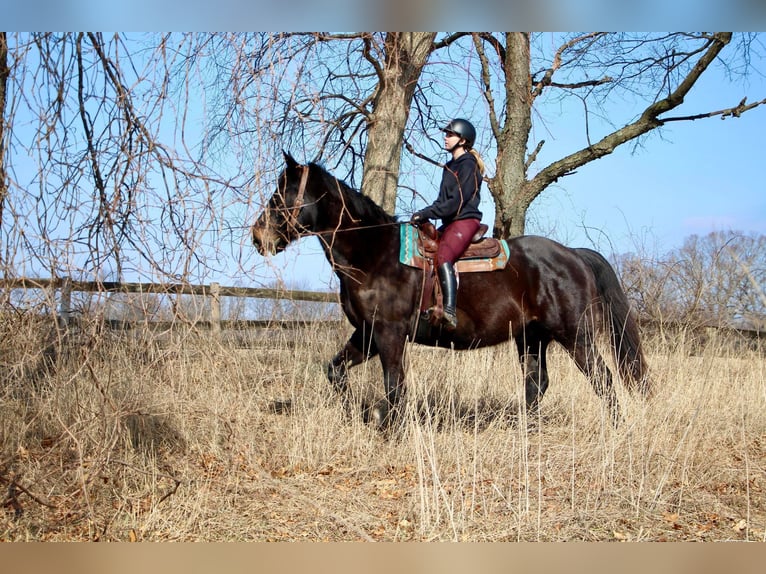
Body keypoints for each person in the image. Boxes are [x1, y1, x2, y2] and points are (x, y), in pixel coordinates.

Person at [410, 118, 485, 330]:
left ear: (462, 140)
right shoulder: (449, 166)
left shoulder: (468, 164)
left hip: (465, 220)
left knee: (443, 256)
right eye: (446, 134)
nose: (445, 137)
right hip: (450, 222)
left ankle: (450, 312)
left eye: (450, 135)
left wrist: (427, 213)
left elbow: (456, 203)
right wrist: (423, 215)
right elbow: (441, 202)